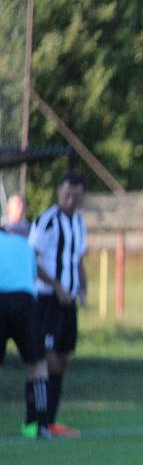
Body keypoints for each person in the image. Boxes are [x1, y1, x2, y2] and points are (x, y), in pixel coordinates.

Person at [27, 171, 87, 438]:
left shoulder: (80, 223)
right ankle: (37, 421)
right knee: (47, 358)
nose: (70, 199)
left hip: (68, 302)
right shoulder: (47, 220)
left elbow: (78, 259)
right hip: (48, 300)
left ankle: (51, 421)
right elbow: (32, 259)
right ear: (58, 192)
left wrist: (83, 287)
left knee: (62, 359)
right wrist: (56, 286)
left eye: (76, 195)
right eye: (66, 193)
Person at [0, 227, 50, 439]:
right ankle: (37, 425)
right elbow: (31, 277)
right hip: (25, 303)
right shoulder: (23, 244)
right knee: (37, 365)